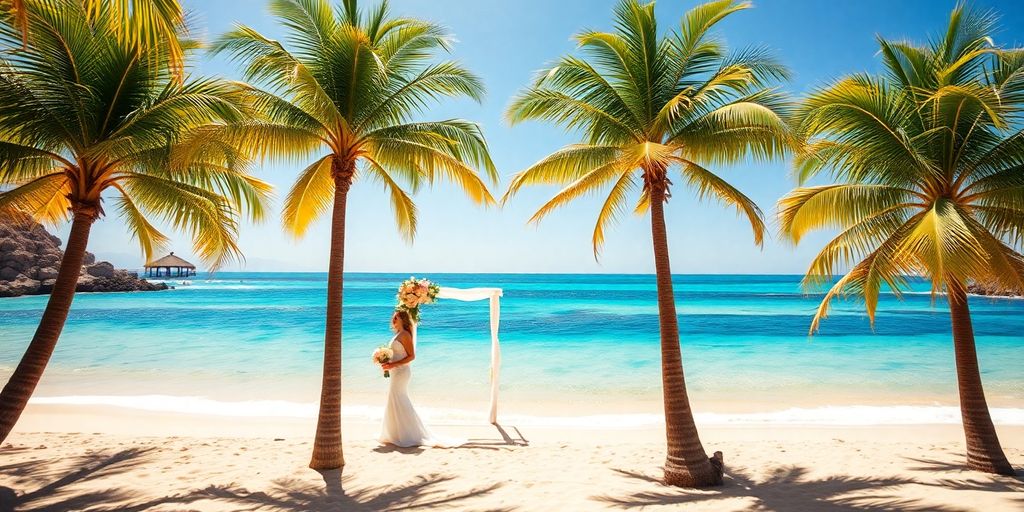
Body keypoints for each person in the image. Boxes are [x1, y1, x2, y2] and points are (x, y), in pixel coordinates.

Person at [378, 310, 455, 447]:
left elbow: (412, 356)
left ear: (402, 318)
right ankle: (395, 433)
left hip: (401, 372)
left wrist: (393, 364)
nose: (393, 319)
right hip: (395, 371)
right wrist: (384, 360)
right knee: (394, 398)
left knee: (399, 398)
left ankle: (410, 433)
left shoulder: (405, 335)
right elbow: (396, 353)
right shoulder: (398, 334)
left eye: (395, 317)